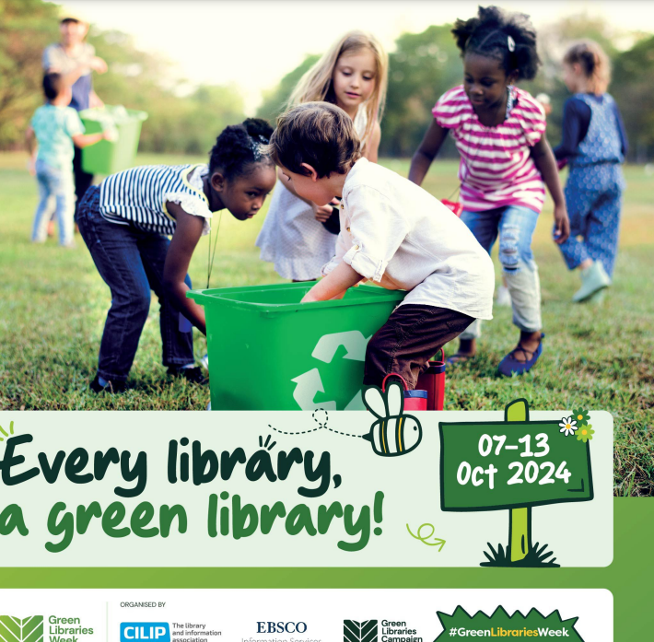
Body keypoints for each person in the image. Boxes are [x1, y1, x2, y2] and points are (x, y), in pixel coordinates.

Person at [268, 102, 495, 390]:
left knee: (389, 352)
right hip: (441, 282)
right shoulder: (354, 190)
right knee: (402, 352)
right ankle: (419, 405)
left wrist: (313, 298)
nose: (288, 181)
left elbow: (361, 262)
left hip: (455, 280)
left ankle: (393, 429)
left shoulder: (366, 189)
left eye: (288, 177)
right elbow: (344, 260)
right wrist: (325, 304)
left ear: (309, 171)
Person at [408, 6, 570, 376]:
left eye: (487, 81)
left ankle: (531, 335)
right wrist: (410, 196)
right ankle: (467, 341)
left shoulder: (526, 111)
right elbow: (424, 152)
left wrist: (559, 204)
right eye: (469, 78)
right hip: (478, 197)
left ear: (511, 77)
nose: (475, 89)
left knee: (512, 247)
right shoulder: (454, 105)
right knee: (465, 262)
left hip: (520, 191)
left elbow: (544, 157)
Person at [77, 119, 277, 393]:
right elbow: (173, 284)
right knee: (135, 296)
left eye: (265, 195)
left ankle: (181, 363)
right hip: (103, 212)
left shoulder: (210, 179)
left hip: (137, 220)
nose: (258, 204)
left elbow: (177, 283)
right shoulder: (192, 210)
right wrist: (214, 330)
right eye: (252, 193)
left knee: (185, 286)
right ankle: (108, 379)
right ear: (219, 182)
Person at [256, 30, 388, 282]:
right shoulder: (308, 115)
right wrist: (314, 202)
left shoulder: (369, 127)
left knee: (339, 276)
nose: (355, 83)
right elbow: (283, 168)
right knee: (305, 280)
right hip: (301, 210)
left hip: (339, 217)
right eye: (347, 73)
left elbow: (368, 179)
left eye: (367, 76)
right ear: (332, 70)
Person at [553, 40, 627, 304]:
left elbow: (569, 147)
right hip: (615, 176)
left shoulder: (575, 104)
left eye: (564, 71)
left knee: (564, 230)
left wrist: (541, 155)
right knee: (603, 235)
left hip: (586, 175)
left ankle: (589, 274)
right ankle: (596, 293)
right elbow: (624, 145)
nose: (564, 77)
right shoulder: (609, 102)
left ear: (575, 68)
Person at [26, 73, 110, 247]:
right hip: (59, 165)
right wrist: (102, 135)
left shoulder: (40, 112)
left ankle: (37, 236)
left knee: (44, 201)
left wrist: (31, 156)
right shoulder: (68, 114)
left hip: (41, 163)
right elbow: (80, 141)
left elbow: (28, 134)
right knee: (65, 202)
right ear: (66, 92)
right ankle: (66, 241)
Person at [43, 9, 108, 220]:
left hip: (84, 118)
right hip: (60, 117)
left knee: (85, 172)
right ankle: (52, 220)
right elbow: (57, 85)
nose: (70, 29)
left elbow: (86, 88)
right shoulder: (52, 52)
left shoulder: (88, 49)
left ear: (84, 28)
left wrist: (99, 105)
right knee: (61, 171)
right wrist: (84, 65)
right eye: (66, 23)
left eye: (75, 24)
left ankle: (79, 220)